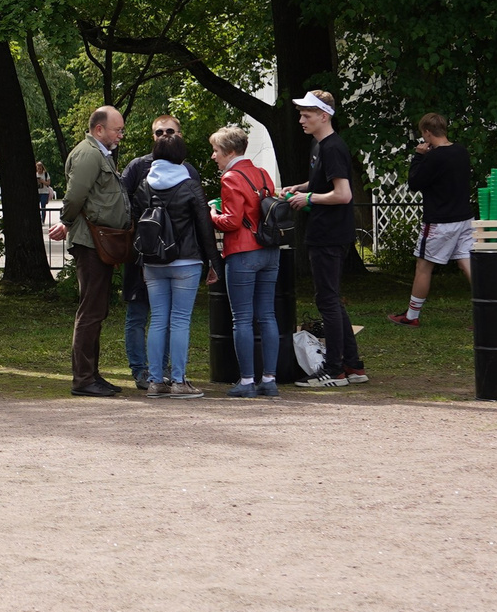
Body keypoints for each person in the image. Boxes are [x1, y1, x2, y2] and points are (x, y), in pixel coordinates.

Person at [49, 106, 131, 398]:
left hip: (98, 242)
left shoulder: (99, 154)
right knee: (90, 312)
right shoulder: (89, 154)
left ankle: (91, 375)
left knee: (96, 310)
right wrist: (66, 222)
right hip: (90, 242)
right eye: (117, 130)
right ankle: (83, 379)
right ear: (99, 129)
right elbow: (75, 196)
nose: (120, 135)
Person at [131, 131, 219, 397]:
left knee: (158, 320)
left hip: (153, 262)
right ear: (181, 157)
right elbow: (204, 227)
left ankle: (155, 381)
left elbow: (135, 222)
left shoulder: (144, 185)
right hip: (186, 261)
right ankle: (179, 381)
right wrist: (214, 262)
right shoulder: (189, 185)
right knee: (180, 320)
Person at [284, 91, 363, 386]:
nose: (301, 120)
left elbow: (343, 194)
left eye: (307, 115)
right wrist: (300, 187)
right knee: (331, 299)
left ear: (324, 116)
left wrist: (309, 198)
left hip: (330, 234)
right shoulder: (320, 145)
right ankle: (353, 366)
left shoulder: (333, 147)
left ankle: (334, 370)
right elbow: (323, 180)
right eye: (301, 115)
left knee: (327, 301)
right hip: (326, 232)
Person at [116, 117, 190, 390]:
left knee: (170, 317)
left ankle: (165, 370)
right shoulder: (138, 166)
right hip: (143, 254)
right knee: (138, 314)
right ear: (152, 136)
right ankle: (140, 370)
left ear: (179, 134)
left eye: (170, 131)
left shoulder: (187, 170)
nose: (164, 135)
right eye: (159, 131)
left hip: (176, 255)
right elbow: (121, 201)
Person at [211, 125, 283, 397]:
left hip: (243, 252)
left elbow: (231, 222)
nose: (214, 156)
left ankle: (246, 381)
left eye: (216, 150)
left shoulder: (231, 177)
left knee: (241, 318)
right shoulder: (263, 173)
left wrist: (211, 214)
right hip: (269, 250)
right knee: (267, 315)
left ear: (229, 151)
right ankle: (269, 379)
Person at [391, 113, 471, 325]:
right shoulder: (461, 151)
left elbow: (414, 183)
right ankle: (491, 311)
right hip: (465, 217)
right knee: (467, 263)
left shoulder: (434, 157)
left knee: (424, 266)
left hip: (439, 220)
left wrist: (419, 156)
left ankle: (411, 316)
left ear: (427, 132)